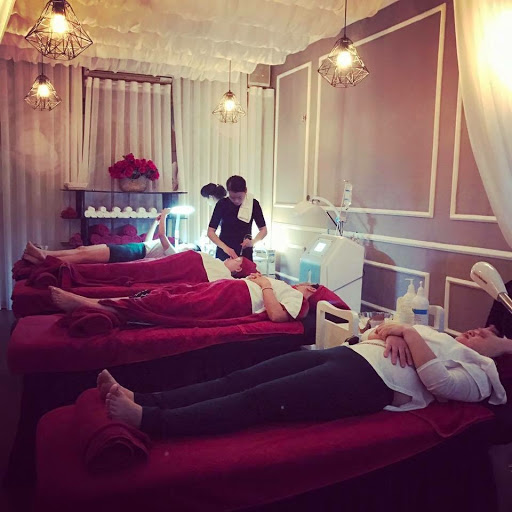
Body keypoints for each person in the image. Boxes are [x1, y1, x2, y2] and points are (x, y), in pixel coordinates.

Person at [94, 322, 507, 439]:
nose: (480, 330)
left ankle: (152, 421)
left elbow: (439, 385)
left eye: (491, 335)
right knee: (238, 377)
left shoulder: (481, 376)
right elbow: (374, 329)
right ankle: (146, 396)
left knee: (258, 399)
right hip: (346, 355)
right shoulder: (444, 336)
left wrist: (407, 333)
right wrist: (394, 332)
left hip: (365, 383)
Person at [49, 273, 319, 324]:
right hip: (226, 288)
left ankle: (90, 304)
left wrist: (265, 285)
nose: (304, 285)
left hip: (233, 299)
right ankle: (102, 304)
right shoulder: (287, 286)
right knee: (163, 294)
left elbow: (277, 316)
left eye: (310, 286)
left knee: (170, 305)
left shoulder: (299, 299)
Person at [22, 209, 176, 265]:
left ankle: (44, 259)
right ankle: (44, 255)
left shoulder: (177, 254)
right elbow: (148, 242)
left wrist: (164, 215)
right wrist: (155, 222)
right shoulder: (175, 250)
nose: (186, 244)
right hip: (132, 249)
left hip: (131, 253)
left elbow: (162, 235)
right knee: (82, 249)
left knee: (83, 256)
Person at [207, 175, 267, 261]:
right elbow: (210, 232)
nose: (236, 201)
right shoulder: (222, 204)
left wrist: (252, 242)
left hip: (245, 252)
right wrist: (225, 248)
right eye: (232, 197)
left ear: (246, 191)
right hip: (224, 251)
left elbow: (263, 230)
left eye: (240, 197)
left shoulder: (253, 204)